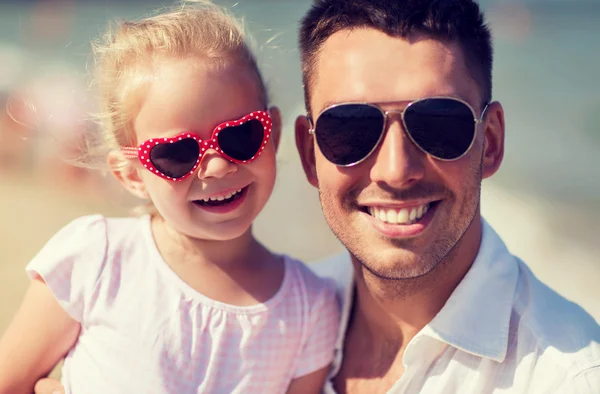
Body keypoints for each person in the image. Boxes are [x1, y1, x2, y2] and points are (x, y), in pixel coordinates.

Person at [0, 1, 340, 393]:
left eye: (240, 135)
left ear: (274, 133)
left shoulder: (308, 307)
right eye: (177, 153)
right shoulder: (96, 260)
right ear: (131, 176)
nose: (216, 167)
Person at [293, 0, 600, 393]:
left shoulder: (567, 379)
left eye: (438, 124)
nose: (396, 170)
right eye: (349, 128)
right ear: (308, 153)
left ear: (490, 142)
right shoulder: (271, 325)